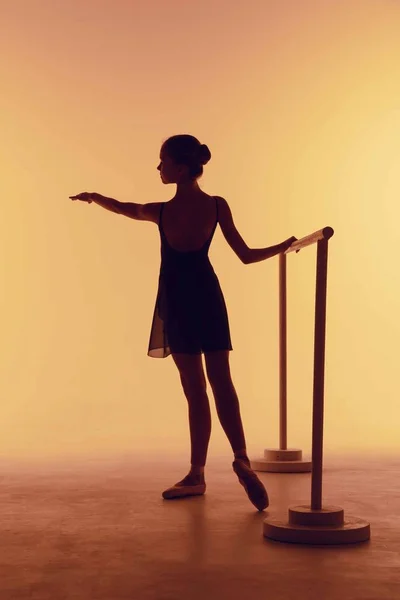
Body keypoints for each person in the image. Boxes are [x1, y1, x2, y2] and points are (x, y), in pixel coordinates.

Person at [70, 134, 297, 511]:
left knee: (195, 390)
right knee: (222, 381)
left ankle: (197, 473)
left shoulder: (161, 211)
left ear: (179, 168)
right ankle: (241, 456)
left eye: (162, 162)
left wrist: (94, 197)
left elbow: (126, 207)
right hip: (208, 296)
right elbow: (245, 255)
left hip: (176, 301)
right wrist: (281, 247)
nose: (158, 168)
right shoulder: (215, 206)